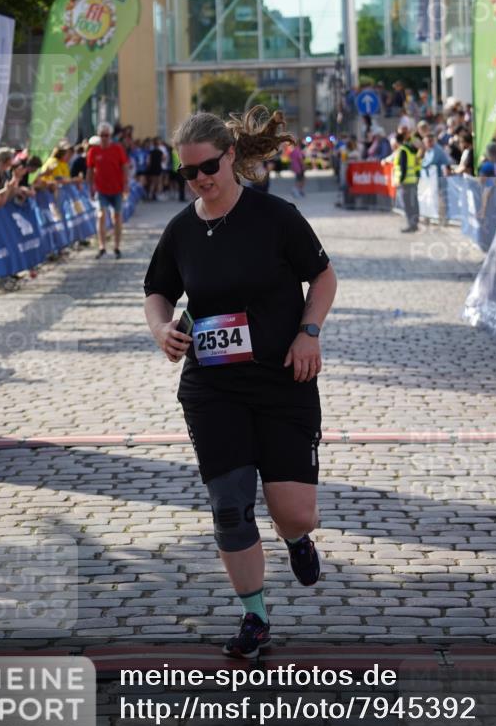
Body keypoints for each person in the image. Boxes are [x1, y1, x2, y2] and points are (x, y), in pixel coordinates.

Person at [143, 106, 337, 659]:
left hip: (283, 377)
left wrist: (309, 332)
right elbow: (158, 290)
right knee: (229, 505)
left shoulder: (276, 216)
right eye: (189, 173)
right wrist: (161, 329)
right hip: (212, 386)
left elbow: (323, 275)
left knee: (293, 511)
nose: (200, 179)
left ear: (230, 157)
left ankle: (297, 539)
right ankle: (254, 615)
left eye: (208, 166)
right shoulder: (181, 230)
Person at [86, 121, 130, 258]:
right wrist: (90, 187)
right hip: (101, 189)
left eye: (106, 135)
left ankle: (116, 246)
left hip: (117, 188)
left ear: (110, 136)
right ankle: (102, 246)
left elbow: (125, 167)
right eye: (101, 135)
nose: (104, 138)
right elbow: (90, 170)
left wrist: (126, 185)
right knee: (100, 215)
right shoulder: (93, 151)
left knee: (116, 217)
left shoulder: (117, 149)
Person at [393, 129, 421, 232]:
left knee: (408, 205)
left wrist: (401, 180)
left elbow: (403, 167)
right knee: (413, 204)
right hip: (412, 180)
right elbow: (417, 164)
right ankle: (414, 224)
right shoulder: (411, 149)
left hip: (406, 182)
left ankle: (411, 225)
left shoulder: (403, 150)